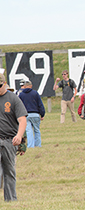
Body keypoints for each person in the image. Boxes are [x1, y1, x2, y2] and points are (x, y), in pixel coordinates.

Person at [0, 73, 28, 201]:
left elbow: (22, 120)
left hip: (9, 141)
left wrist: (19, 136)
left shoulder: (13, 99)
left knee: (9, 171)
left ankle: (11, 200)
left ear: (4, 84)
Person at [18, 80, 45, 148]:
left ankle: (30, 145)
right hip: (35, 114)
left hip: (26, 115)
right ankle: (38, 144)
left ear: (24, 86)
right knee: (36, 130)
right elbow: (40, 104)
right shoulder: (35, 93)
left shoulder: (21, 94)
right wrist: (42, 114)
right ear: (31, 86)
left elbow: (19, 105)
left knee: (28, 130)